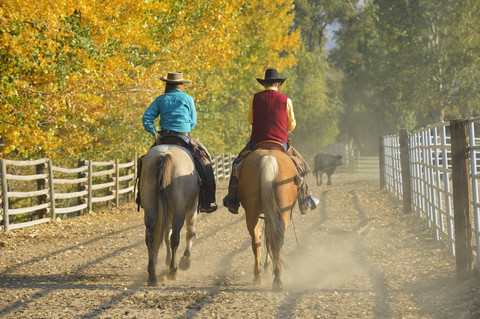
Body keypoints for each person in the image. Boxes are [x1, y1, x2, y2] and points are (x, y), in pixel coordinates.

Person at [223, 68, 319, 214]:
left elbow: (250, 120)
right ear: (278, 84)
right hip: (281, 143)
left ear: (264, 84)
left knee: (237, 164)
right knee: (301, 165)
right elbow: (291, 125)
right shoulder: (286, 100)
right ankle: (304, 201)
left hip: (257, 142)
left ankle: (233, 199)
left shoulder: (255, 98)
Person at [140, 71, 218, 213]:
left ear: (167, 85)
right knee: (204, 162)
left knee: (145, 161)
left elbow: (146, 118)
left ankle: (141, 197)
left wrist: (154, 133)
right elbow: (193, 121)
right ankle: (207, 200)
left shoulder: (160, 99)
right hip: (183, 137)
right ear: (181, 85)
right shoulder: (187, 99)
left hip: (163, 137)